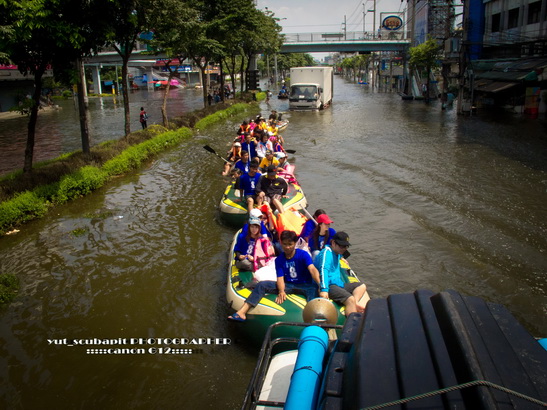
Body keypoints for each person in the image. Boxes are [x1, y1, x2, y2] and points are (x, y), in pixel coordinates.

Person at [228, 230, 322, 322]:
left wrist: (320, 285)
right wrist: (281, 291)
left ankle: (315, 320)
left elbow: (312, 270)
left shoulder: (303, 255)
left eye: (290, 244)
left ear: (295, 243)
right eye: (285, 244)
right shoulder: (279, 260)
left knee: (314, 292)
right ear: (281, 243)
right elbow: (280, 278)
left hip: (306, 285)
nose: (287, 247)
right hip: (288, 284)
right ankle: (242, 312)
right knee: (262, 285)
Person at [315, 232, 367, 316]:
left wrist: (342, 258)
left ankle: (356, 303)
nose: (344, 249)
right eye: (341, 246)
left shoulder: (337, 253)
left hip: (339, 283)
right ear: (333, 243)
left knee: (362, 286)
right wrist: (324, 290)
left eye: (346, 246)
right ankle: (352, 325)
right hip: (330, 285)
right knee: (350, 300)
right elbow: (323, 270)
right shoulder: (326, 253)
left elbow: (340, 255)